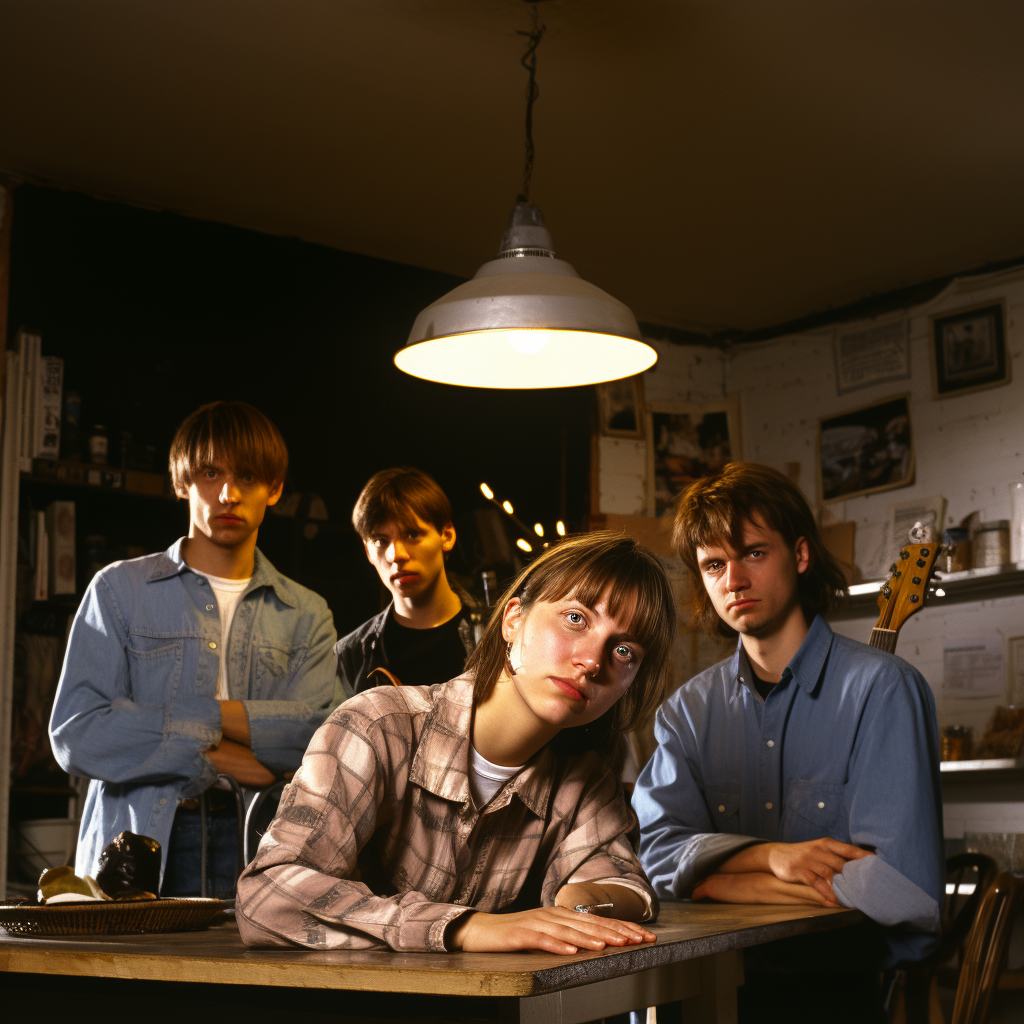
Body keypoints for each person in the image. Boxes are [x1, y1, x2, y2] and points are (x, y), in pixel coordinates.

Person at [235, 532, 675, 953]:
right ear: (513, 620)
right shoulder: (380, 726)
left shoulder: (584, 776)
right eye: (576, 618)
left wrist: (578, 904)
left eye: (624, 652)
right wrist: (465, 926)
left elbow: (624, 885)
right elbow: (266, 896)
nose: (592, 661)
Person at [632, 462, 943, 1022]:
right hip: (705, 997)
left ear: (800, 556)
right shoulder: (686, 712)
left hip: (830, 1000)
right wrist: (773, 859)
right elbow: (651, 866)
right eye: (713, 564)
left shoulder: (883, 689)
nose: (733, 580)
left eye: (753, 552)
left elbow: (903, 891)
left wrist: (718, 881)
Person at [49, 401, 340, 895]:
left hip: (264, 842)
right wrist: (220, 755)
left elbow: (321, 736)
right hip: (140, 839)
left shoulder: (307, 612)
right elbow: (77, 733)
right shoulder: (120, 590)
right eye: (210, 473)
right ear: (182, 482)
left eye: (247, 476)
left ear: (275, 489)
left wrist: (192, 719)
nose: (228, 493)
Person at [336, 467, 480, 697]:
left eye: (412, 534)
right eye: (381, 541)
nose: (396, 554)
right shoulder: (350, 656)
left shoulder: (500, 634)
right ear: (368, 552)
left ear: (447, 536)